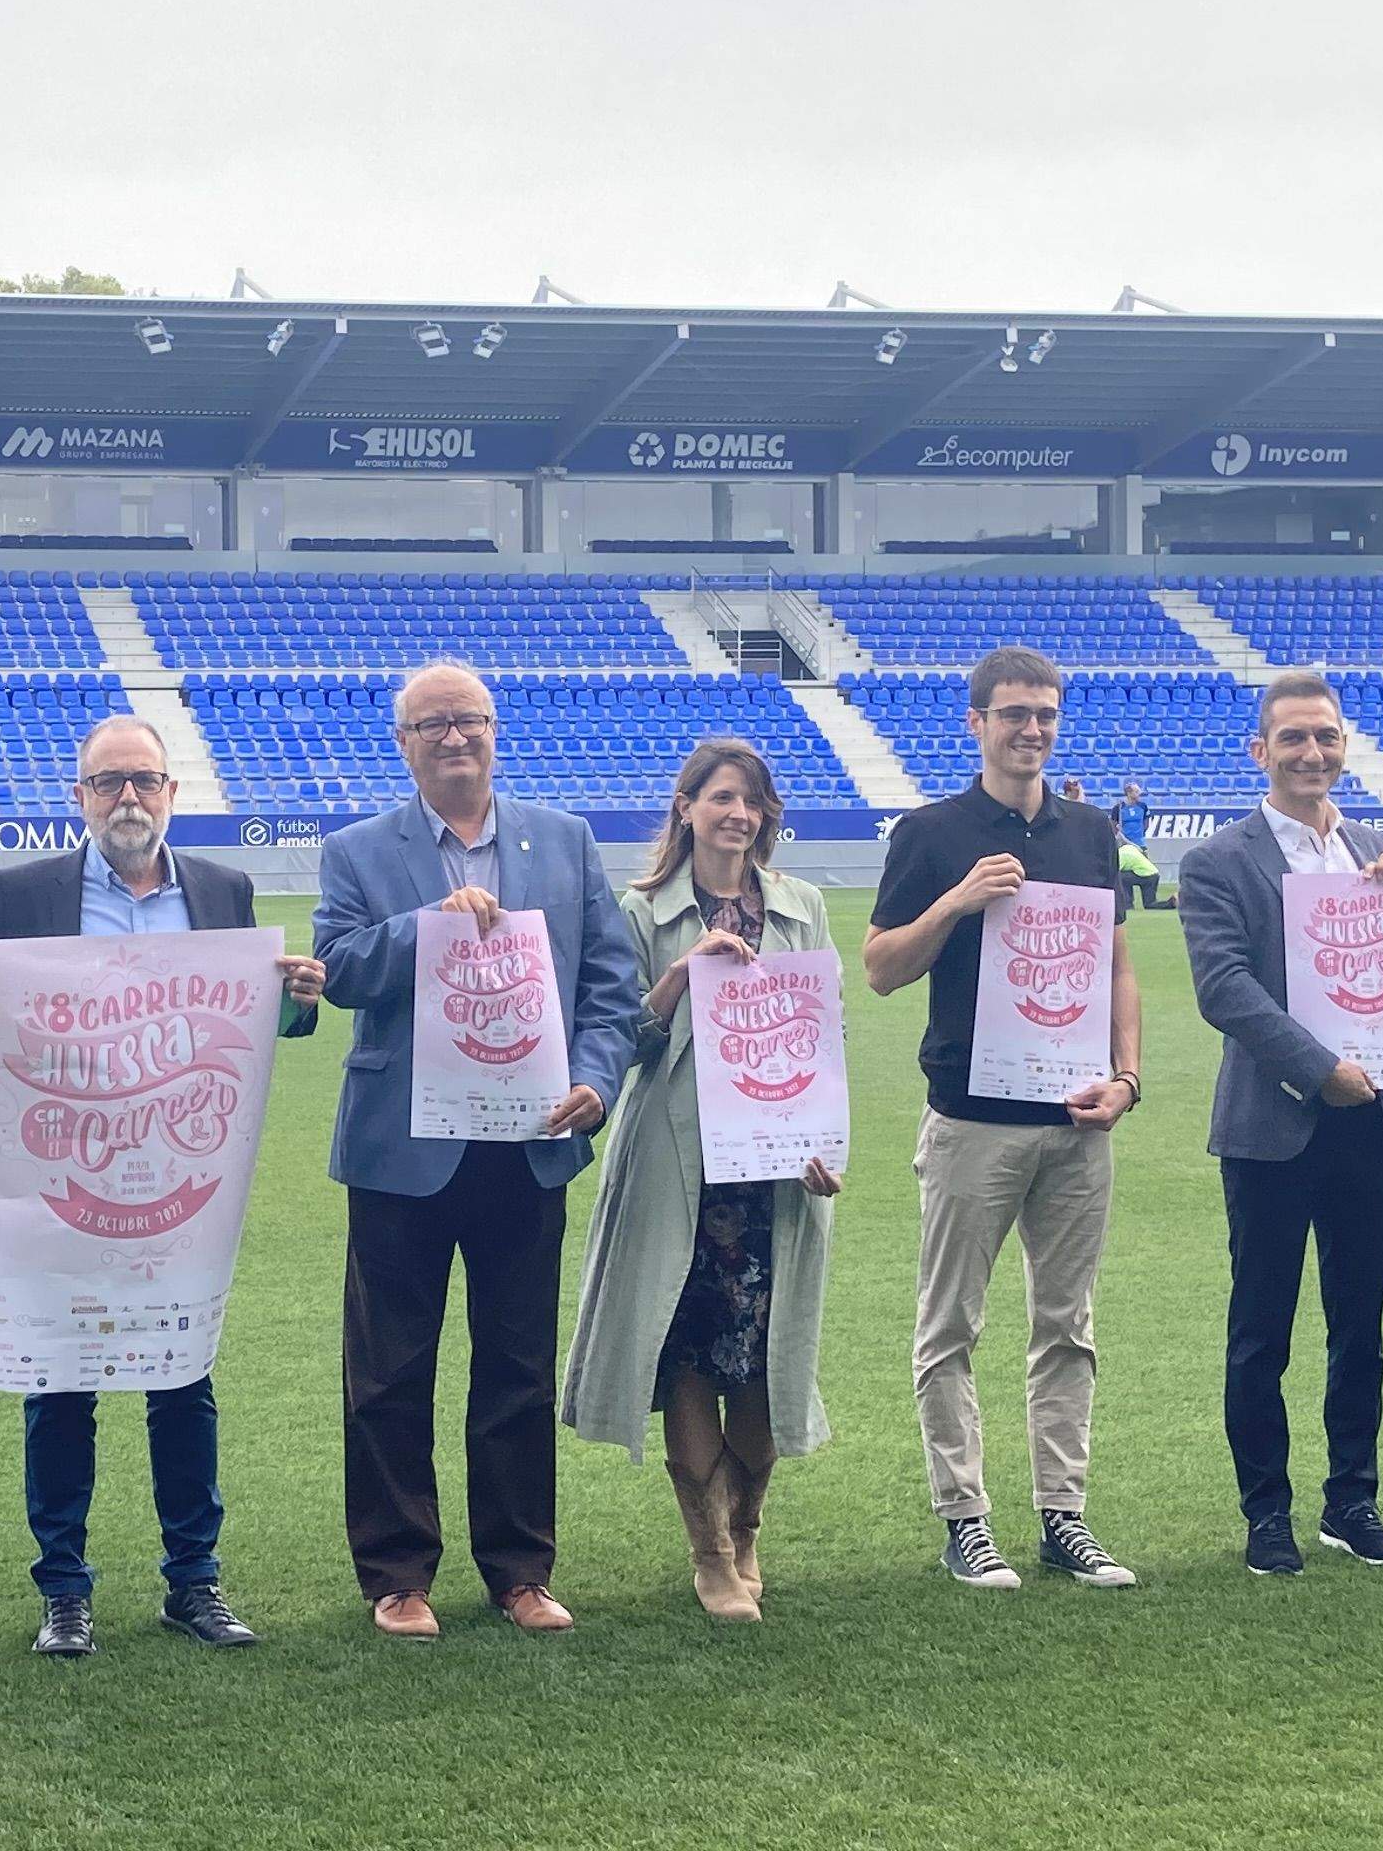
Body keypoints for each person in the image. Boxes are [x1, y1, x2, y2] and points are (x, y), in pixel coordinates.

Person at [0, 714, 325, 1657]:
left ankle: (195, 1581)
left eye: (144, 780)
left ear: (172, 793)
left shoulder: (224, 891)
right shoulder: (22, 894)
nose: (129, 798)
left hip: (179, 1184)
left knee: (184, 1380)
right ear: (81, 799)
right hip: (63, 1182)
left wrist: (298, 1003)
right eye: (109, 784)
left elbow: (265, 1029)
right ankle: (64, 1590)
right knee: (59, 1383)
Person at [311, 660, 643, 1638]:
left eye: (470, 721)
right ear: (403, 743)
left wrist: (596, 1080)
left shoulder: (566, 842)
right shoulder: (359, 852)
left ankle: (518, 1570)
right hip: (402, 1148)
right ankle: (398, 1575)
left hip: (527, 1141)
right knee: (387, 1372)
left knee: (518, 1366)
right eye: (432, 725)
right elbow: (338, 972)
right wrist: (425, 927)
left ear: (496, 732)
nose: (454, 737)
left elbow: (610, 990)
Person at [861, 645, 1143, 1593]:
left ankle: (1064, 1515)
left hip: (1077, 1118)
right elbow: (882, 967)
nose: (1031, 730)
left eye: (1045, 715)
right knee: (952, 1326)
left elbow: (1114, 966)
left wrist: (1129, 1077)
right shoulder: (932, 832)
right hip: (972, 1119)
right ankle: (965, 1520)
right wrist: (958, 900)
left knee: (1068, 1325)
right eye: (1014, 714)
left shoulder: (1092, 831)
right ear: (975, 723)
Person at [560, 739, 841, 1622]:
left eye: (752, 801)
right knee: (684, 1355)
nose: (739, 815)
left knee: (763, 1361)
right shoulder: (641, 911)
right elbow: (618, 1041)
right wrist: (679, 979)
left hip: (775, 1175)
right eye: (722, 798)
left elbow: (819, 1039)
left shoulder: (802, 906)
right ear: (686, 807)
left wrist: (825, 1140)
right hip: (679, 1170)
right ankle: (710, 1550)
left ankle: (748, 1526)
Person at [1177, 669, 1383, 1576]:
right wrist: (1320, 1071)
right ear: (1261, 752)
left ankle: (1351, 1501)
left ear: (1344, 745)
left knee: (1362, 1325)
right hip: (1274, 1126)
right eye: (1293, 740)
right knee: (1262, 1329)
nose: (1312, 753)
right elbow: (1223, 988)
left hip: (1374, 1124)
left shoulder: (1372, 843)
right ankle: (1266, 1512)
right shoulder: (1217, 861)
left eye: (1326, 737)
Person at [1116, 775, 1172, 910]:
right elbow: (1115, 825)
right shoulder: (1119, 808)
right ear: (1129, 793)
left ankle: (1133, 902)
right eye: (1136, 791)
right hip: (1125, 843)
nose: (1139, 793)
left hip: (1139, 843)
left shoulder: (1143, 807)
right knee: (1126, 874)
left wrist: (1140, 836)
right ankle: (1129, 902)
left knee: (1138, 870)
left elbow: (1146, 823)